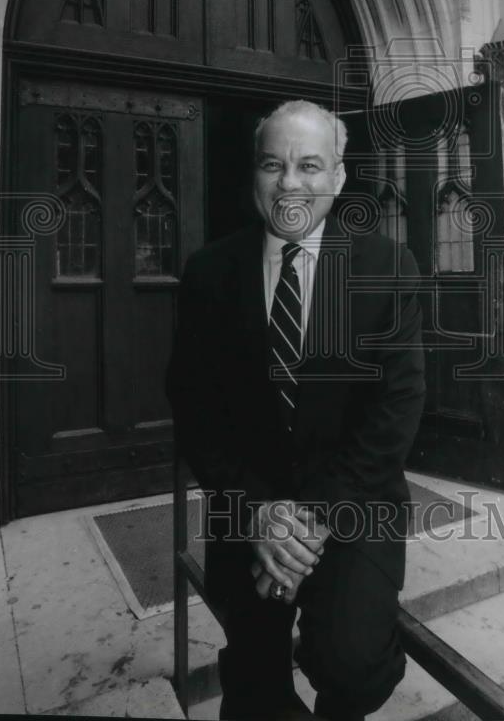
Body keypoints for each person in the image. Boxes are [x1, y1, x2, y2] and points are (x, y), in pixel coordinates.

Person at [166, 100, 425, 720]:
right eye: (272, 164)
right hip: (248, 507)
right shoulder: (208, 273)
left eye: (309, 165)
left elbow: (396, 408)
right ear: (253, 175)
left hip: (354, 505)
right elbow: (194, 405)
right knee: (254, 681)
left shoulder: (387, 268)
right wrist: (257, 514)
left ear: (338, 178)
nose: (289, 182)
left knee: (353, 665)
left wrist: (311, 520)